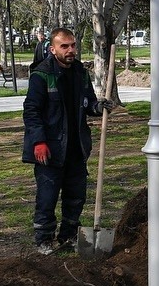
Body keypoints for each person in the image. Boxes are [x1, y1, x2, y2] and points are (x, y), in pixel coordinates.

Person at [21, 27, 102, 255]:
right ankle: (44, 239)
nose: (70, 50)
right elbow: (31, 111)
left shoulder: (80, 72)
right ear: (53, 49)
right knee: (47, 198)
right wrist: (38, 142)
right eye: (64, 46)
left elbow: (88, 102)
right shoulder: (42, 75)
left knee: (76, 197)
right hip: (51, 149)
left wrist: (98, 107)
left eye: (73, 45)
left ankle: (69, 235)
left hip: (76, 148)